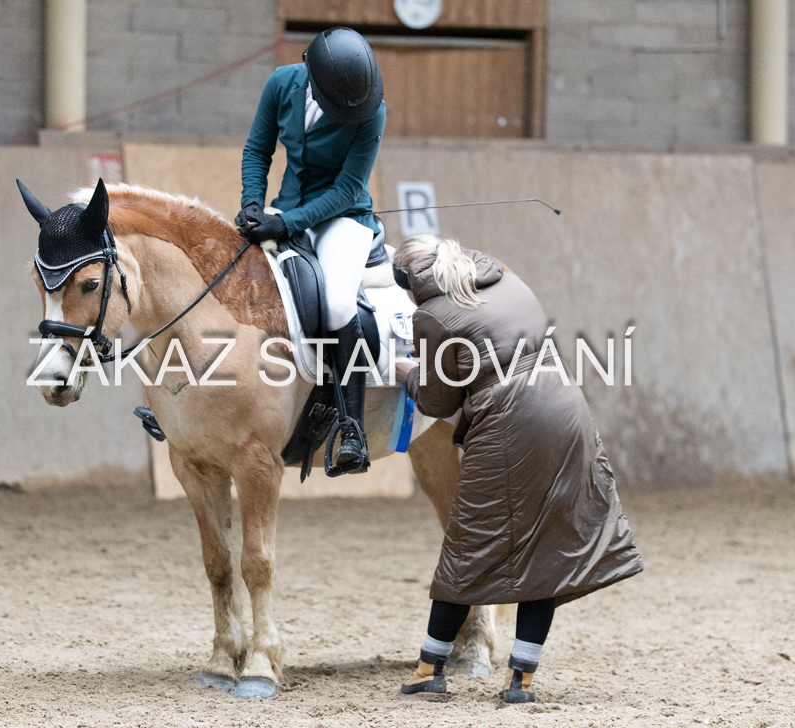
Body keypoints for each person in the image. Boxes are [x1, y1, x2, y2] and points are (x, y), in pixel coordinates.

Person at [391, 234, 644, 703]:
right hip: (567, 409)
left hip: (511, 423)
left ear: (409, 281)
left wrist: (410, 377)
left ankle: (430, 667)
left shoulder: (431, 316)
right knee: (546, 546)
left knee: (467, 544)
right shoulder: (509, 280)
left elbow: (439, 401)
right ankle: (521, 679)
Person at [235, 28, 386, 476]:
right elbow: (257, 150)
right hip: (284, 208)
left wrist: (287, 223)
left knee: (337, 303)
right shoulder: (281, 83)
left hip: (343, 218)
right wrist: (251, 204)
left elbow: (347, 189)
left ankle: (352, 428)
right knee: (230, 274)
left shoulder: (371, 111)